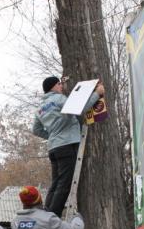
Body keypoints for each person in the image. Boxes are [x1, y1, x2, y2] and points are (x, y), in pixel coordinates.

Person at [33, 76, 105, 217]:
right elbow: (79, 109)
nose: (62, 87)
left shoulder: (40, 109)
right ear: (53, 86)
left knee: (55, 183)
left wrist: (53, 135)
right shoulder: (59, 99)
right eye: (59, 84)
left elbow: (36, 130)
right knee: (64, 184)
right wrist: (97, 94)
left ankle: (46, 213)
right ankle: (52, 217)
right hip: (67, 145)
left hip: (53, 148)